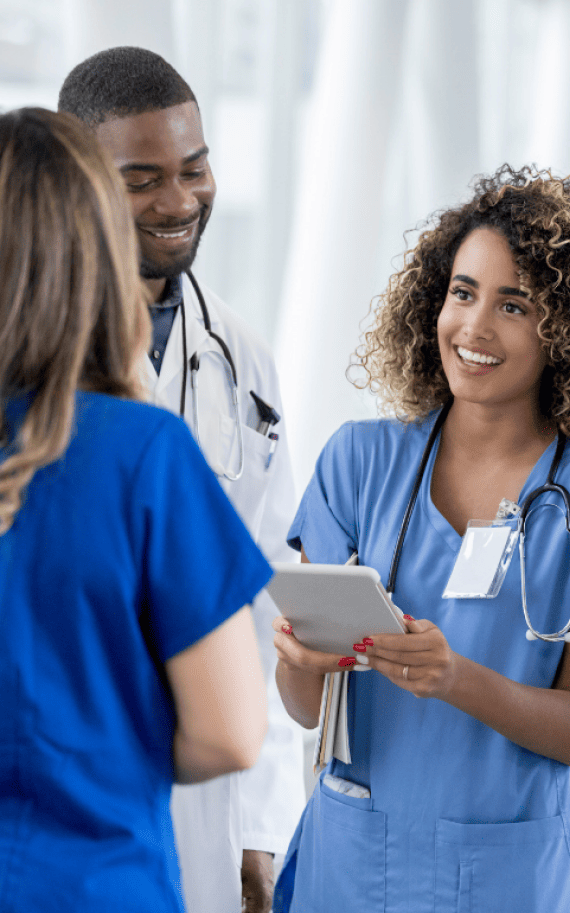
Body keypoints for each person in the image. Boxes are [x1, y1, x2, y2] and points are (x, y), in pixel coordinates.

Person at [270, 165, 570, 911]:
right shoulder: (358, 463)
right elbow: (304, 706)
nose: (475, 328)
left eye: (514, 305)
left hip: (512, 876)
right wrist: (301, 660)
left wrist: (453, 676)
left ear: (568, 330)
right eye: (463, 292)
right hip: (356, 861)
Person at [0, 107, 269, 911]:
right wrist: (95, 745)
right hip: (93, 884)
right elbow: (229, 729)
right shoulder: (142, 453)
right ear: (98, 252)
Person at [58, 47, 304, 912]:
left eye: (194, 169)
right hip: (63, 782)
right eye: (142, 178)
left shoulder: (242, 354)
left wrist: (261, 821)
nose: (179, 200)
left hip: (207, 795)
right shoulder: (33, 364)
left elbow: (264, 601)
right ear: (80, 182)